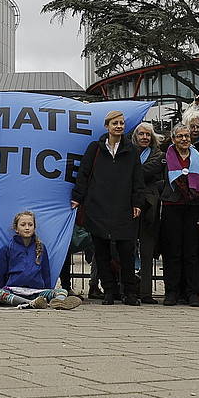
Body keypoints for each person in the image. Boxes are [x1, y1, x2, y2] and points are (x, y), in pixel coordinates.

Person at [71, 111, 145, 306]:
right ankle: (109, 291)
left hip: (123, 207)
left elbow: (138, 179)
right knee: (101, 252)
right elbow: (84, 174)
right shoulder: (95, 148)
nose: (119, 126)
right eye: (115, 123)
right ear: (107, 126)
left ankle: (129, 292)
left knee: (127, 252)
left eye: (121, 123)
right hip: (98, 206)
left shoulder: (131, 151)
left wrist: (137, 202)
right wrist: (77, 198)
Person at [160, 124, 199, 307]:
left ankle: (192, 292)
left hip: (193, 206)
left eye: (187, 136)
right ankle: (172, 291)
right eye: (180, 136)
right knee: (172, 251)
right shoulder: (165, 158)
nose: (184, 139)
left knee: (192, 252)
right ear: (173, 139)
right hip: (171, 206)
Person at [0, 210, 81, 309]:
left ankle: (58, 303)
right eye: (23, 225)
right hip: (14, 291)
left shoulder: (41, 247)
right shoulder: (7, 249)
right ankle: (30, 303)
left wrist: (48, 292)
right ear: (16, 228)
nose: (27, 228)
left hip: (37, 291)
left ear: (34, 227)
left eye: (30, 225)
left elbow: (46, 273)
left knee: (62, 291)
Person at [132, 122, 165, 304]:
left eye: (147, 134)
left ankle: (145, 292)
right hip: (129, 205)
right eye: (141, 134)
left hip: (150, 207)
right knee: (127, 249)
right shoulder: (128, 152)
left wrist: (130, 172)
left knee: (147, 250)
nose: (144, 137)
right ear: (135, 136)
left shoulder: (158, 155)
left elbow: (145, 172)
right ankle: (127, 289)